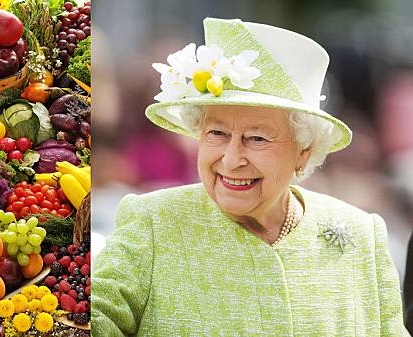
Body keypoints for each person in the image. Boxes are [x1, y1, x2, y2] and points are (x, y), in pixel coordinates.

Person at [91, 18, 409, 336]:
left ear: (304, 151)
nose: (230, 159)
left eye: (257, 138)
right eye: (216, 133)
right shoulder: (153, 223)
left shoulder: (363, 235)